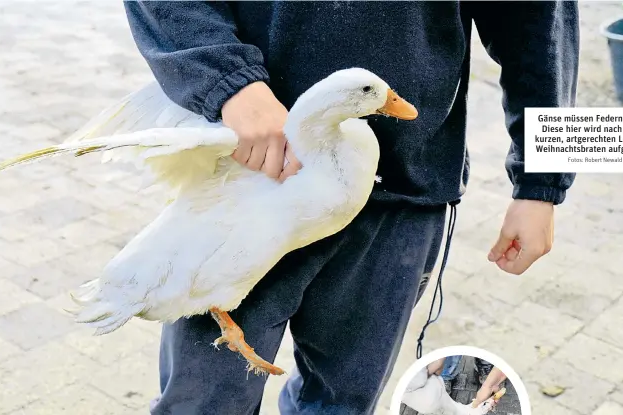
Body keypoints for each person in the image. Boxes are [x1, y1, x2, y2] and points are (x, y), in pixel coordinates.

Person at [122, 2, 579, 414]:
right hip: (246, 183)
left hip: (403, 194)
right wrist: (229, 83)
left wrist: (543, 185)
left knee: (341, 405)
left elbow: (545, 23)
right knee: (202, 404)